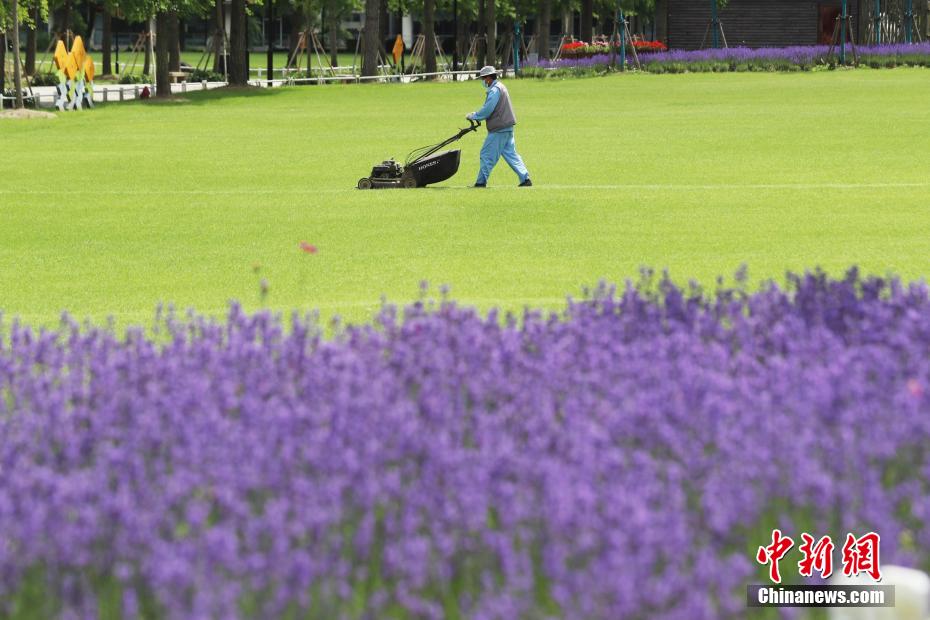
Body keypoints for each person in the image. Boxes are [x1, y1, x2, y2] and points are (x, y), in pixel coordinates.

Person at [466, 66, 532, 187]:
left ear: (488, 78)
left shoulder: (494, 90)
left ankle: (481, 182)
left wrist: (474, 116)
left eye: (483, 78)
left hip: (499, 128)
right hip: (507, 127)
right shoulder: (501, 86)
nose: (483, 81)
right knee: (511, 155)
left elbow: (488, 109)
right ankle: (525, 179)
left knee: (486, 154)